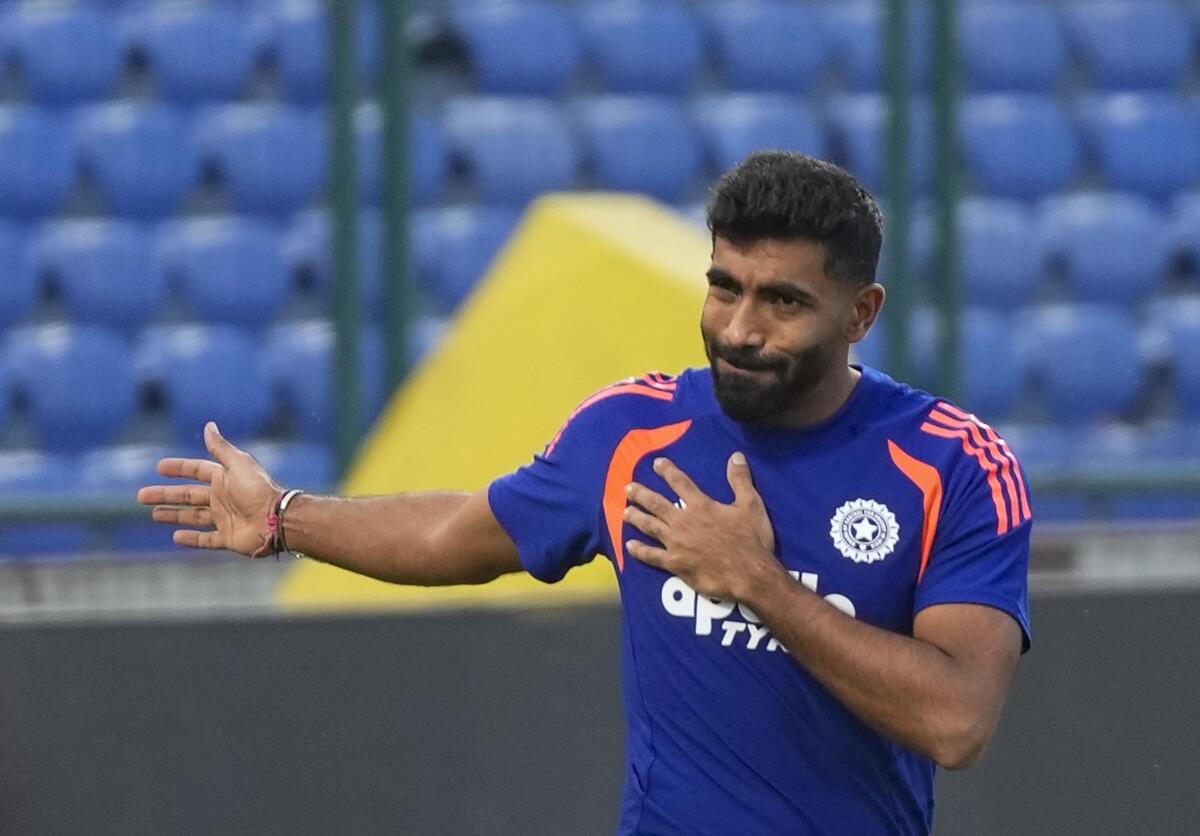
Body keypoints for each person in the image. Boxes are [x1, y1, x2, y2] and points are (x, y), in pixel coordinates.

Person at [138, 151, 1031, 835]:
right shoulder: (632, 432)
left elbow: (957, 723)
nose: (741, 329)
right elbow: (458, 532)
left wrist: (758, 583)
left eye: (783, 303)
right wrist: (286, 518)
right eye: (725, 289)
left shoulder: (952, 466)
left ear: (861, 314)